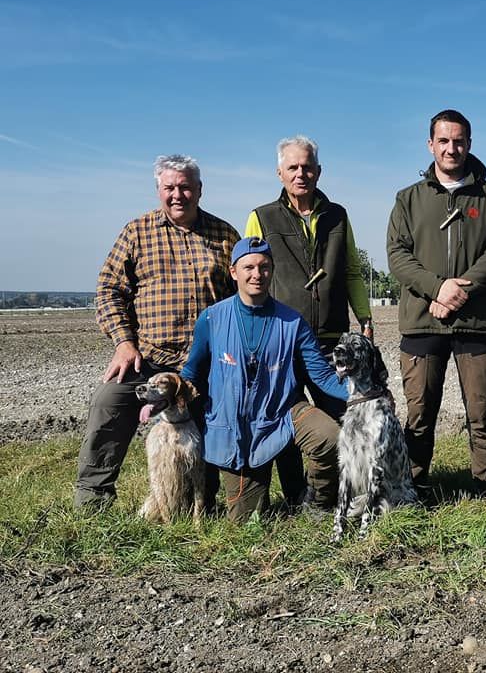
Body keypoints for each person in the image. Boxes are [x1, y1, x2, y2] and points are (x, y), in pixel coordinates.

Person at [75, 155, 240, 508]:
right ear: (158, 190)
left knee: (227, 417)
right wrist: (123, 342)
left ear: (199, 190)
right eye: (170, 188)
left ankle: (215, 500)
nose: (177, 195)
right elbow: (108, 289)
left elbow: (240, 296)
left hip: (206, 363)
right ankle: (93, 498)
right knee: (109, 401)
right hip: (148, 358)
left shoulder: (224, 235)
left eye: (185, 187)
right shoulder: (136, 232)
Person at [386, 109, 486, 494]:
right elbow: (397, 254)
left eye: (458, 141)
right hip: (423, 321)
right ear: (431, 145)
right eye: (443, 141)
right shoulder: (408, 199)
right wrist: (436, 288)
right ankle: (411, 485)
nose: (451, 148)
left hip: (476, 323)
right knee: (420, 413)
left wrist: (461, 291)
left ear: (469, 144)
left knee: (481, 411)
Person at [180, 237, 349, 522]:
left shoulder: (292, 322)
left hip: (283, 413)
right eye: (248, 267)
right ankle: (260, 491)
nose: (256, 274)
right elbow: (191, 372)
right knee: (246, 522)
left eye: (264, 267)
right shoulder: (212, 319)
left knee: (329, 437)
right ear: (234, 272)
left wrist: (367, 393)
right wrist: (170, 403)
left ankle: (317, 503)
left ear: (272, 270)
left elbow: (321, 375)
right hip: (237, 430)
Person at [245, 134, 372, 506]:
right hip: (281, 337)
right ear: (280, 172)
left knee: (343, 413)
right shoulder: (261, 217)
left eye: (308, 167)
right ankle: (296, 493)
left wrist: (363, 316)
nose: (301, 174)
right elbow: (251, 273)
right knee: (287, 418)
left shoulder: (338, 216)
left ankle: (341, 490)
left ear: (319, 171)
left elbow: (350, 270)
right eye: (293, 167)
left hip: (332, 337)